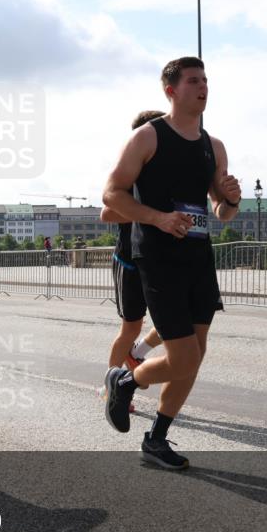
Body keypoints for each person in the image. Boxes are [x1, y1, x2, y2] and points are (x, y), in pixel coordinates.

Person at [101, 56, 241, 470]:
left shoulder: (212, 146)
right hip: (158, 257)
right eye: (194, 81)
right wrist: (158, 217)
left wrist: (231, 198)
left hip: (198, 256)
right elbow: (112, 195)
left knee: (195, 355)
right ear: (171, 90)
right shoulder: (148, 137)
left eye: (205, 80)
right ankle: (126, 380)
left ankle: (157, 438)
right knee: (183, 358)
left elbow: (222, 212)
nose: (203, 87)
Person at [99, 109, 168, 413]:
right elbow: (107, 213)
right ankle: (110, 388)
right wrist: (147, 212)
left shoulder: (166, 170)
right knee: (130, 327)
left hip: (159, 259)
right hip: (130, 261)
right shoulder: (130, 170)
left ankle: (137, 353)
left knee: (175, 322)